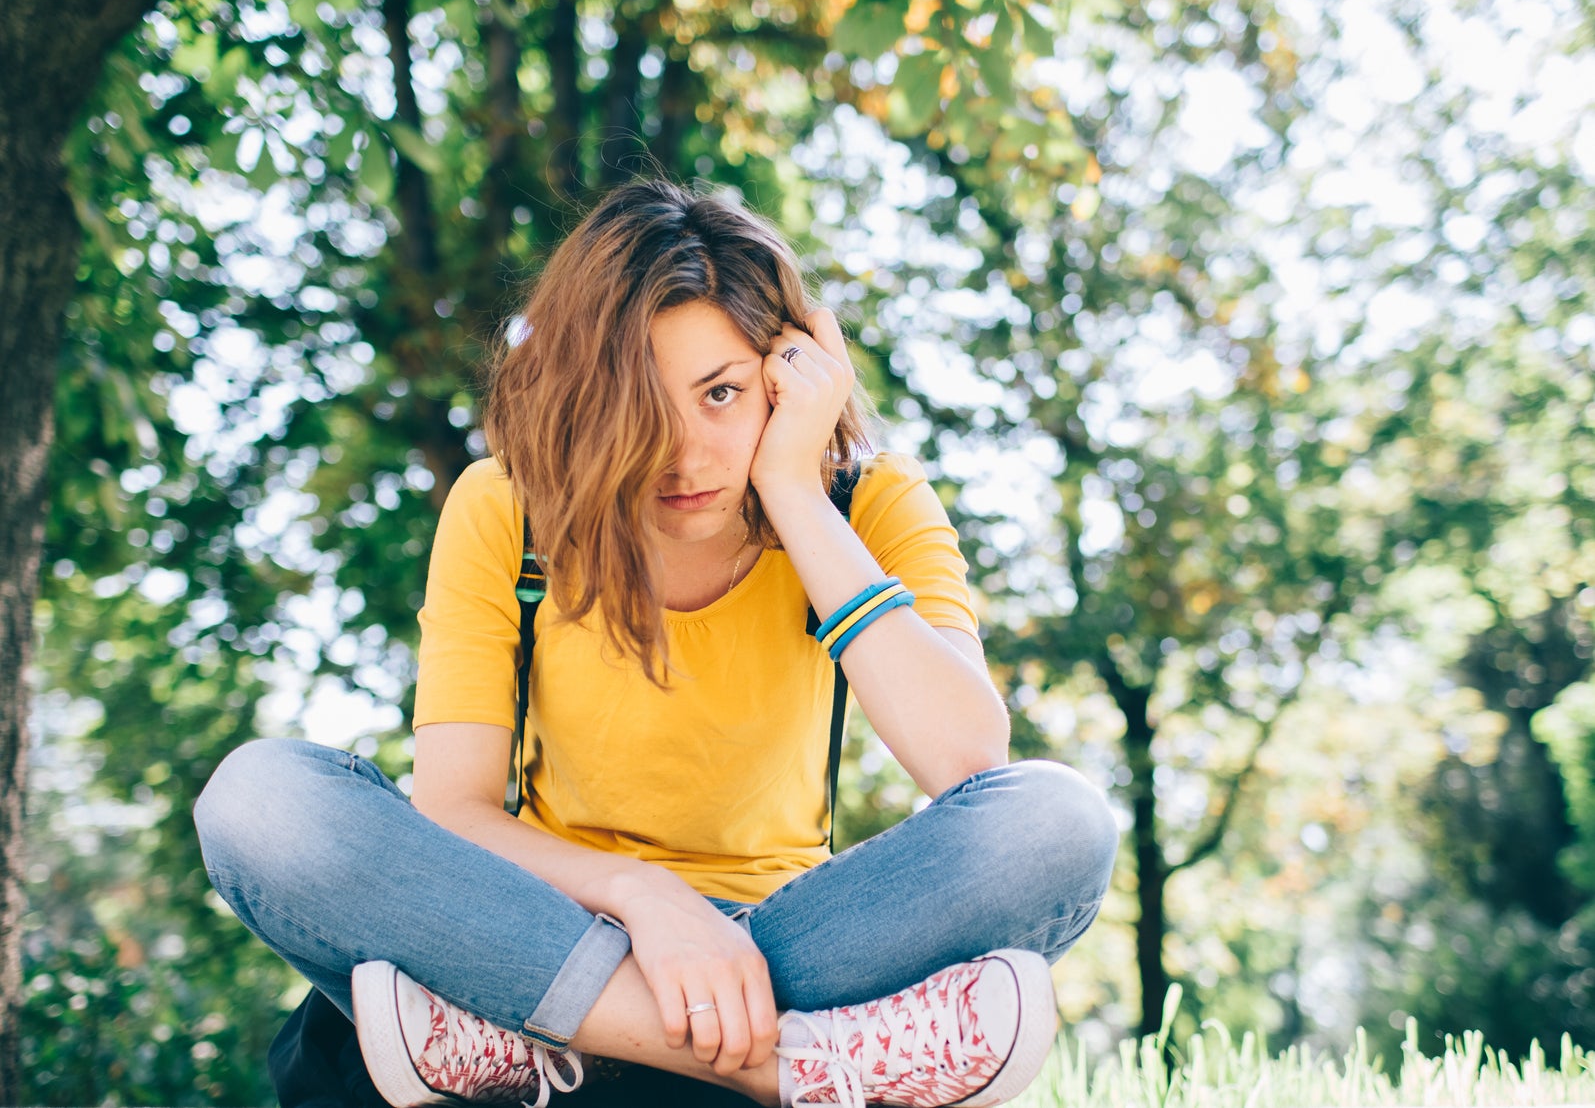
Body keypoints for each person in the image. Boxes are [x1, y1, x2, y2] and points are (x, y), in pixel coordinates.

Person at [194, 179, 1118, 1108]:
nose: (685, 453)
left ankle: (541, 1033)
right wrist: (645, 897)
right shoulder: (507, 508)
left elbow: (968, 761)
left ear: (790, 377)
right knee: (261, 803)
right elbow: (456, 811)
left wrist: (796, 493)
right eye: (636, 401)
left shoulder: (866, 507)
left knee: (1055, 824)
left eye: (722, 393)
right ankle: (794, 1064)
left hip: (789, 940)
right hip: (550, 915)